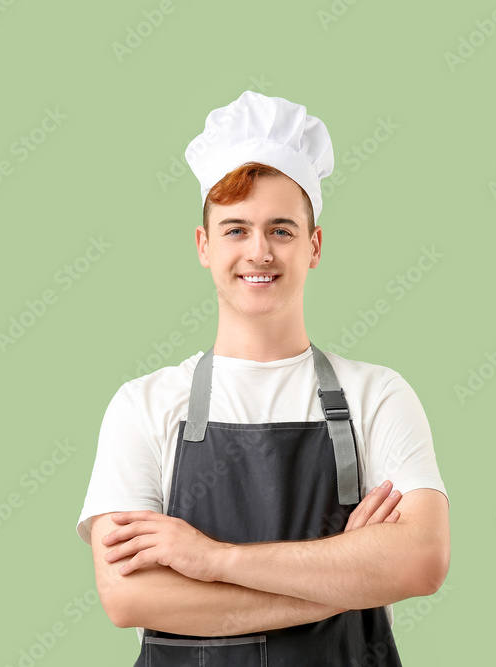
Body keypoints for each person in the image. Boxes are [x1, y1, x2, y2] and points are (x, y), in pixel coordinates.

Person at [75, 90, 450, 666]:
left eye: (281, 230)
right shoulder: (144, 405)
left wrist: (212, 560)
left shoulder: (377, 395)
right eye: (235, 230)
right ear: (203, 246)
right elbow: (129, 597)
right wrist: (349, 578)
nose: (259, 252)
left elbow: (421, 561)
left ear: (313, 246)